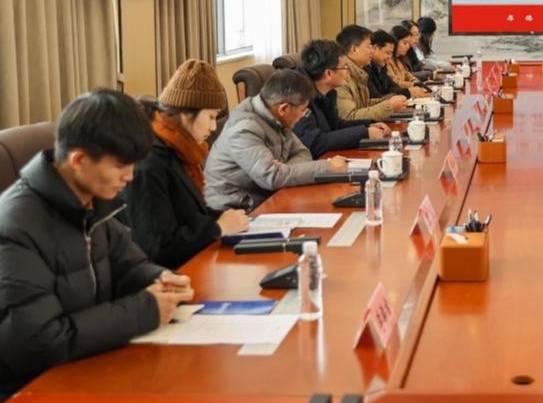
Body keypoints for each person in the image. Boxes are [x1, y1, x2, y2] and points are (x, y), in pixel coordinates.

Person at [0, 90, 195, 403]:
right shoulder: (9, 234)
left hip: (70, 375)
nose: (130, 177)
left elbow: (128, 265)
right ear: (78, 160)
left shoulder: (88, 203)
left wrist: (161, 278)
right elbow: (39, 343)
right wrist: (147, 309)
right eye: (121, 165)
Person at [122, 59, 251, 270]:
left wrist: (224, 217)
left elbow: (188, 212)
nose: (213, 127)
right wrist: (218, 228)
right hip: (165, 274)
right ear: (185, 113)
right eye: (211, 117)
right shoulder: (148, 163)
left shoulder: (181, 148)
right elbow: (158, 247)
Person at [205, 69, 347, 211]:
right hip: (238, 209)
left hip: (267, 196)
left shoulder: (278, 118)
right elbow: (271, 177)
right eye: (303, 111)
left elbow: (303, 153)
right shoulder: (244, 129)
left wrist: (284, 171)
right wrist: (327, 167)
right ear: (283, 109)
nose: (303, 116)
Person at [295, 39, 391, 156]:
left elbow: (336, 125)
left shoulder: (328, 91)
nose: (347, 72)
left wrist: (368, 125)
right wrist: (364, 133)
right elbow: (315, 143)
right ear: (328, 73)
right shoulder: (298, 96)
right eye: (344, 67)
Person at [335, 24, 411, 122]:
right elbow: (349, 117)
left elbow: (365, 104)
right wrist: (389, 106)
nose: (372, 51)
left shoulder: (358, 72)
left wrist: (391, 99)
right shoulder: (341, 74)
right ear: (354, 49)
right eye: (369, 47)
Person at [368, 29, 427, 99]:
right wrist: (408, 91)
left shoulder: (382, 66)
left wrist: (416, 85)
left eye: (390, 53)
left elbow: (393, 86)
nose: (389, 57)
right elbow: (376, 97)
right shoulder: (367, 69)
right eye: (387, 53)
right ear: (375, 48)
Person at [389, 24, 429, 92]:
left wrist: (419, 83)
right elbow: (396, 83)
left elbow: (408, 75)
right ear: (395, 42)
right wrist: (414, 85)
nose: (407, 46)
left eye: (408, 43)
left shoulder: (399, 60)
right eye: (405, 43)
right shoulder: (387, 61)